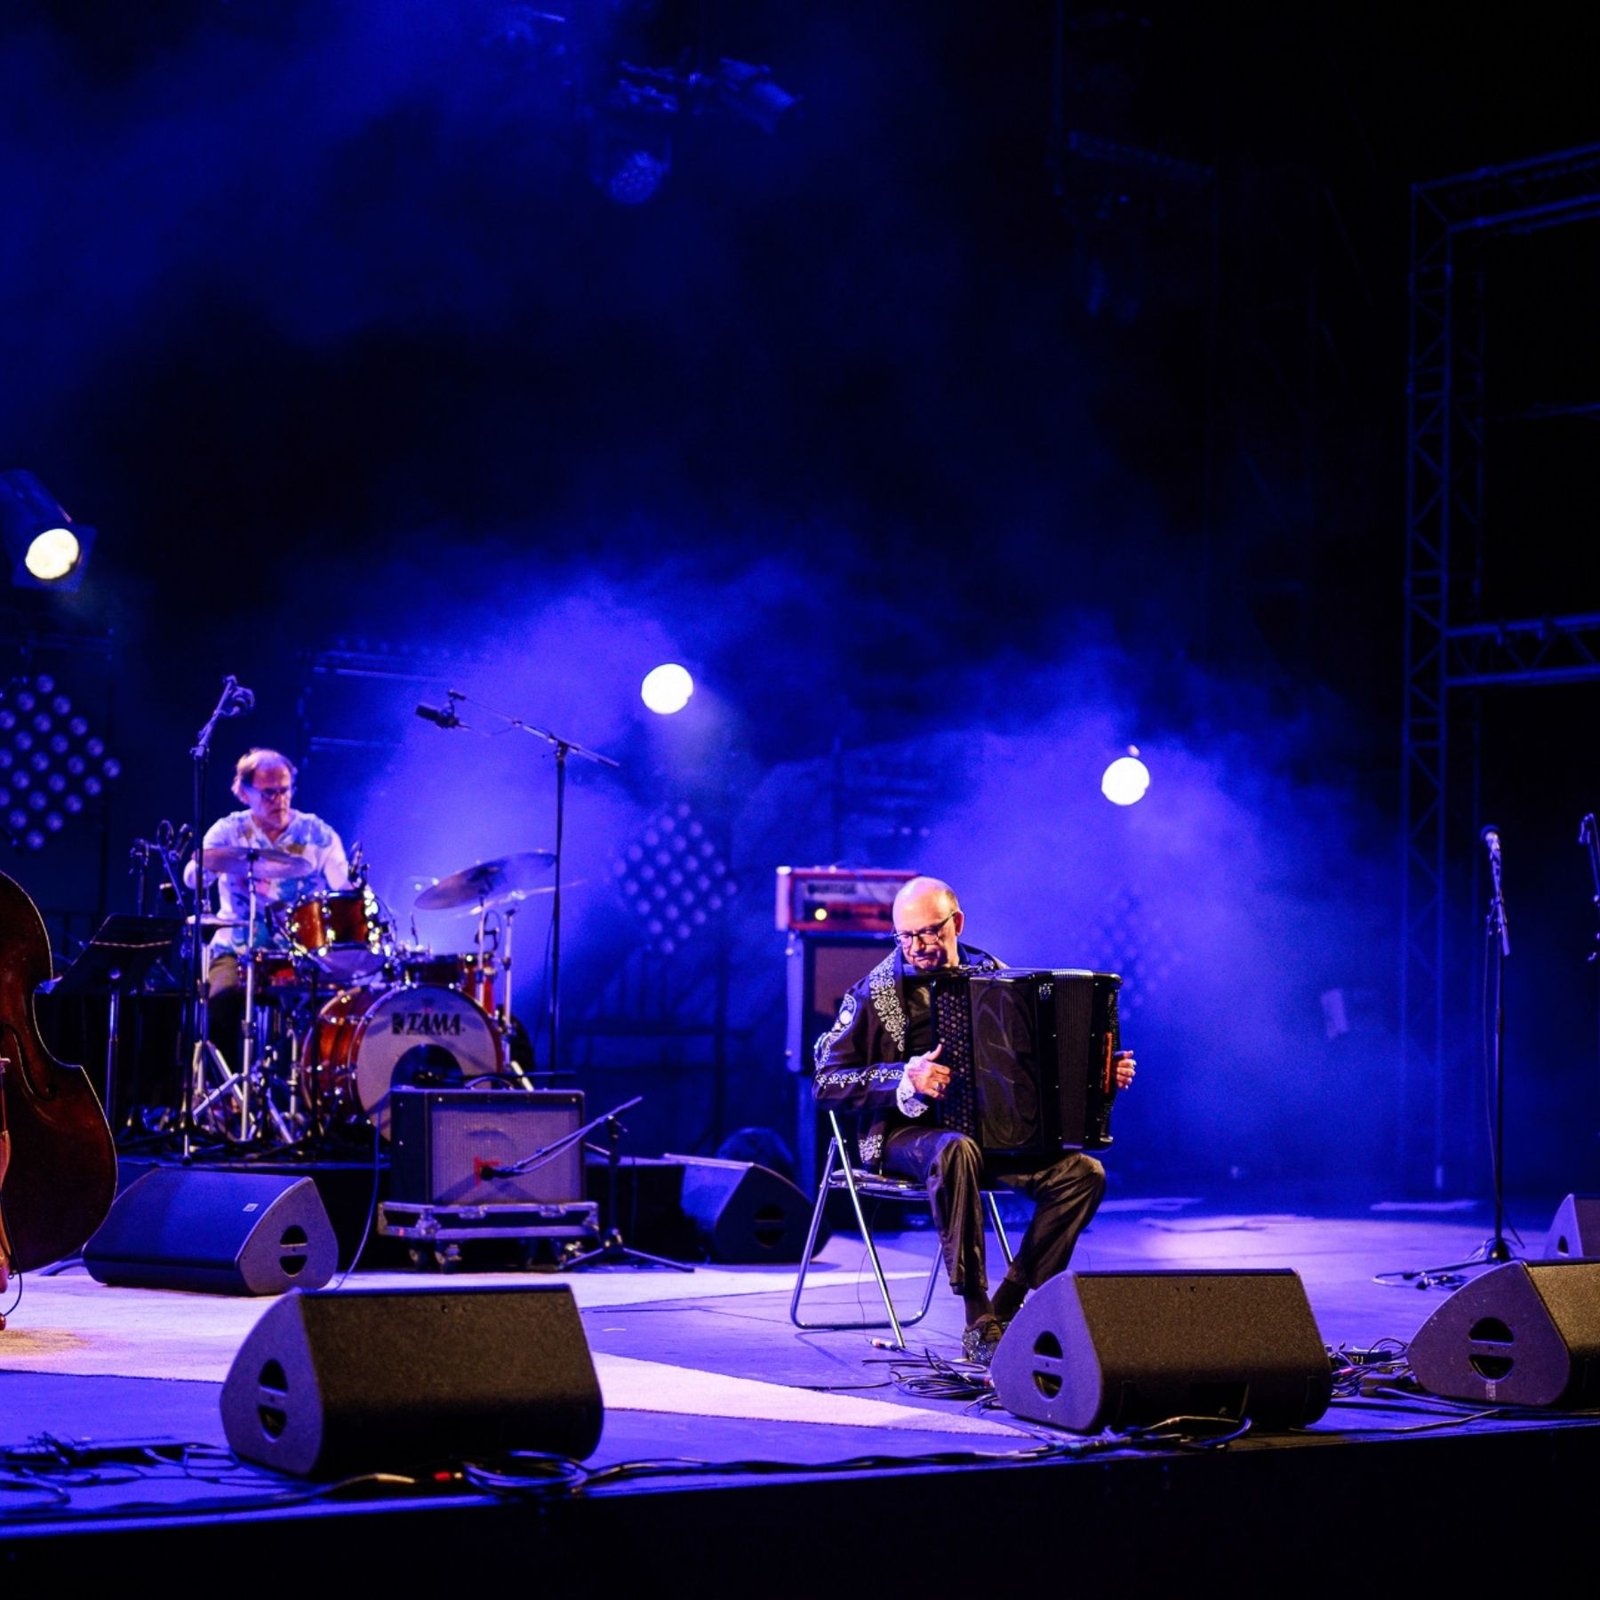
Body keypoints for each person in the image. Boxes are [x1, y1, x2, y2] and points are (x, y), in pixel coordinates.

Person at [813, 875, 1137, 1365]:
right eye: (905, 936)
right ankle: (976, 1314)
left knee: (1084, 1175)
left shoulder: (995, 975)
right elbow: (826, 1082)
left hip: (993, 1136)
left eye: (928, 931)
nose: (917, 946)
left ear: (956, 923)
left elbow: (1038, 1059)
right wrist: (903, 1077)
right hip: (905, 1136)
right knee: (954, 1150)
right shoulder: (873, 995)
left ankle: (1008, 1305)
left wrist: (1098, 1072)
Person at [185, 748, 351, 1075]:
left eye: (285, 790)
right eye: (269, 793)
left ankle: (309, 1089)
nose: (280, 800)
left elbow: (343, 889)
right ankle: (225, 1092)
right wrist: (210, 866)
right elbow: (192, 879)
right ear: (244, 792)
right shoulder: (228, 830)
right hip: (236, 949)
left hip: (300, 952)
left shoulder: (317, 833)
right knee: (219, 1002)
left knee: (335, 1004)